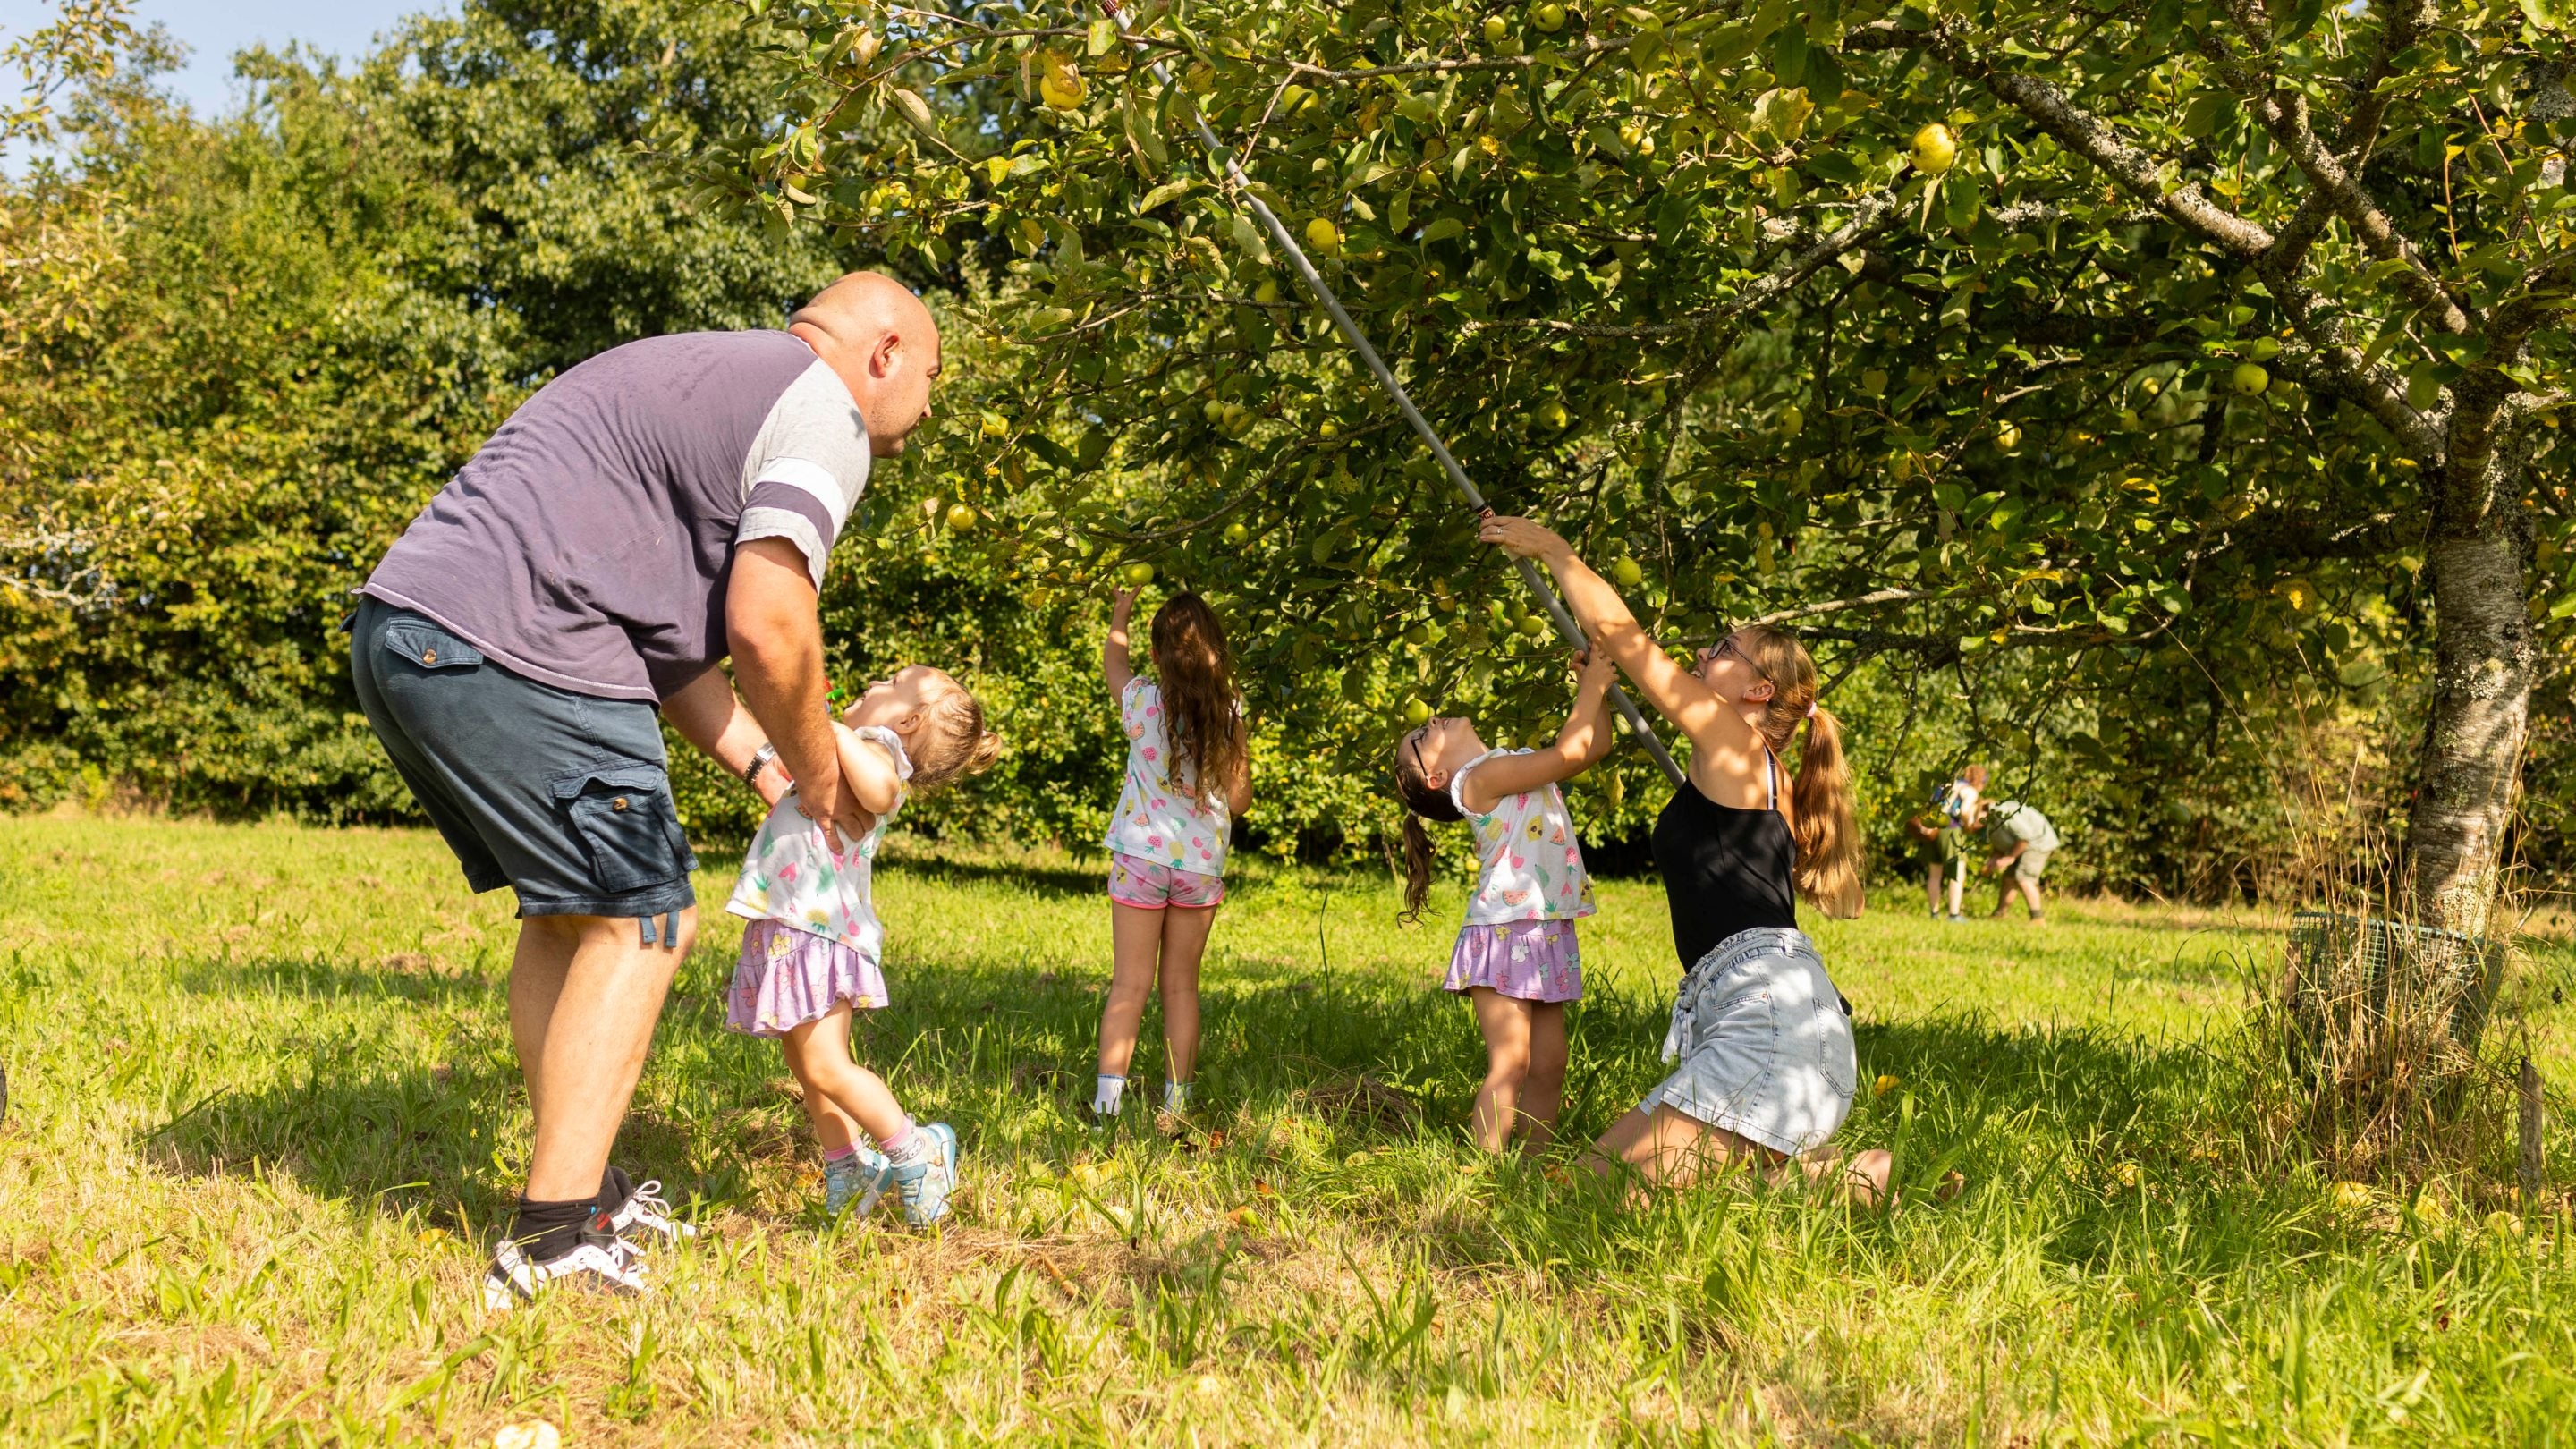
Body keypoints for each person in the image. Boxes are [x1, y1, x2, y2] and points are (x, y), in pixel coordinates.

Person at [348, 271, 943, 1306]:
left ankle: (578, 1199)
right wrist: (817, 769)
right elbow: (769, 620)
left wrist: (767, 770)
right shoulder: (826, 406)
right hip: (523, 645)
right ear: (884, 352)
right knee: (646, 920)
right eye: (931, 380)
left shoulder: (711, 378)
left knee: (575, 917)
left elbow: (675, 655)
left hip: (410, 631)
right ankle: (552, 1243)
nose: (924, 413)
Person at [1478, 516, 1890, 1204]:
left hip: (1770, 1030)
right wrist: (1600, 685)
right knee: (1587, 1188)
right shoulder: (1752, 774)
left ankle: (1842, 1182)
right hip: (1776, 1024)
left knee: (1589, 1198)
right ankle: (1836, 1183)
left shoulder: (1735, 745)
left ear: (1759, 692)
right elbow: (1619, 687)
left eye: (1727, 648)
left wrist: (1554, 550)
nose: (1705, 649)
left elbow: (1630, 640)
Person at [724, 665, 999, 1226]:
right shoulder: (854, 745)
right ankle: (847, 1166)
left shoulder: (882, 749)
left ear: (908, 719)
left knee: (826, 1064)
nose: (873, 684)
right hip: (791, 923)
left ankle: (913, 1149)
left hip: (820, 930)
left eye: (891, 683)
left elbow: (881, 790)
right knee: (805, 1064)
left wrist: (832, 729)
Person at [1393, 648, 1614, 1153]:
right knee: (1511, 1061)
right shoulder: (1478, 780)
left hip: (1545, 927)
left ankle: (1532, 1168)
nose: (1430, 721)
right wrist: (1593, 687)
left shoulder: (1503, 763)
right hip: (1505, 930)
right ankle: (1486, 1171)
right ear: (1435, 777)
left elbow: (1593, 746)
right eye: (1423, 738)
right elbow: (1569, 755)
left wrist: (1591, 688)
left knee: (1550, 1064)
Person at [1089, 588, 1252, 1126]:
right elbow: (1239, 800)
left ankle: (1107, 1107)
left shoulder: (1139, 699)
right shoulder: (1228, 711)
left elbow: (1114, 661)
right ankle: (1175, 1106)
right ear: (1216, 652)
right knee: (1181, 985)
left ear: (1156, 656)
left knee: (1129, 984)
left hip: (1140, 856)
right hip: (1200, 867)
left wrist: (1121, 611)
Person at [1919, 764, 1985, 921]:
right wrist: (1969, 825)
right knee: (1957, 873)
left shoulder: (1947, 785)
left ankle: (1934, 913)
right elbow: (1964, 811)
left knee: (1935, 874)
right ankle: (1953, 914)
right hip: (1951, 830)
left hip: (1933, 830)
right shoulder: (1969, 790)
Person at [1982, 795, 2061, 922]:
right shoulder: (1990, 823)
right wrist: (1994, 858)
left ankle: (2038, 918)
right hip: (2025, 845)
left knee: (2024, 877)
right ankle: (1999, 914)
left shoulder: (2000, 813)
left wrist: (2010, 857)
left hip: (2038, 843)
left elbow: (2024, 838)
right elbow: (2001, 843)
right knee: (2009, 878)